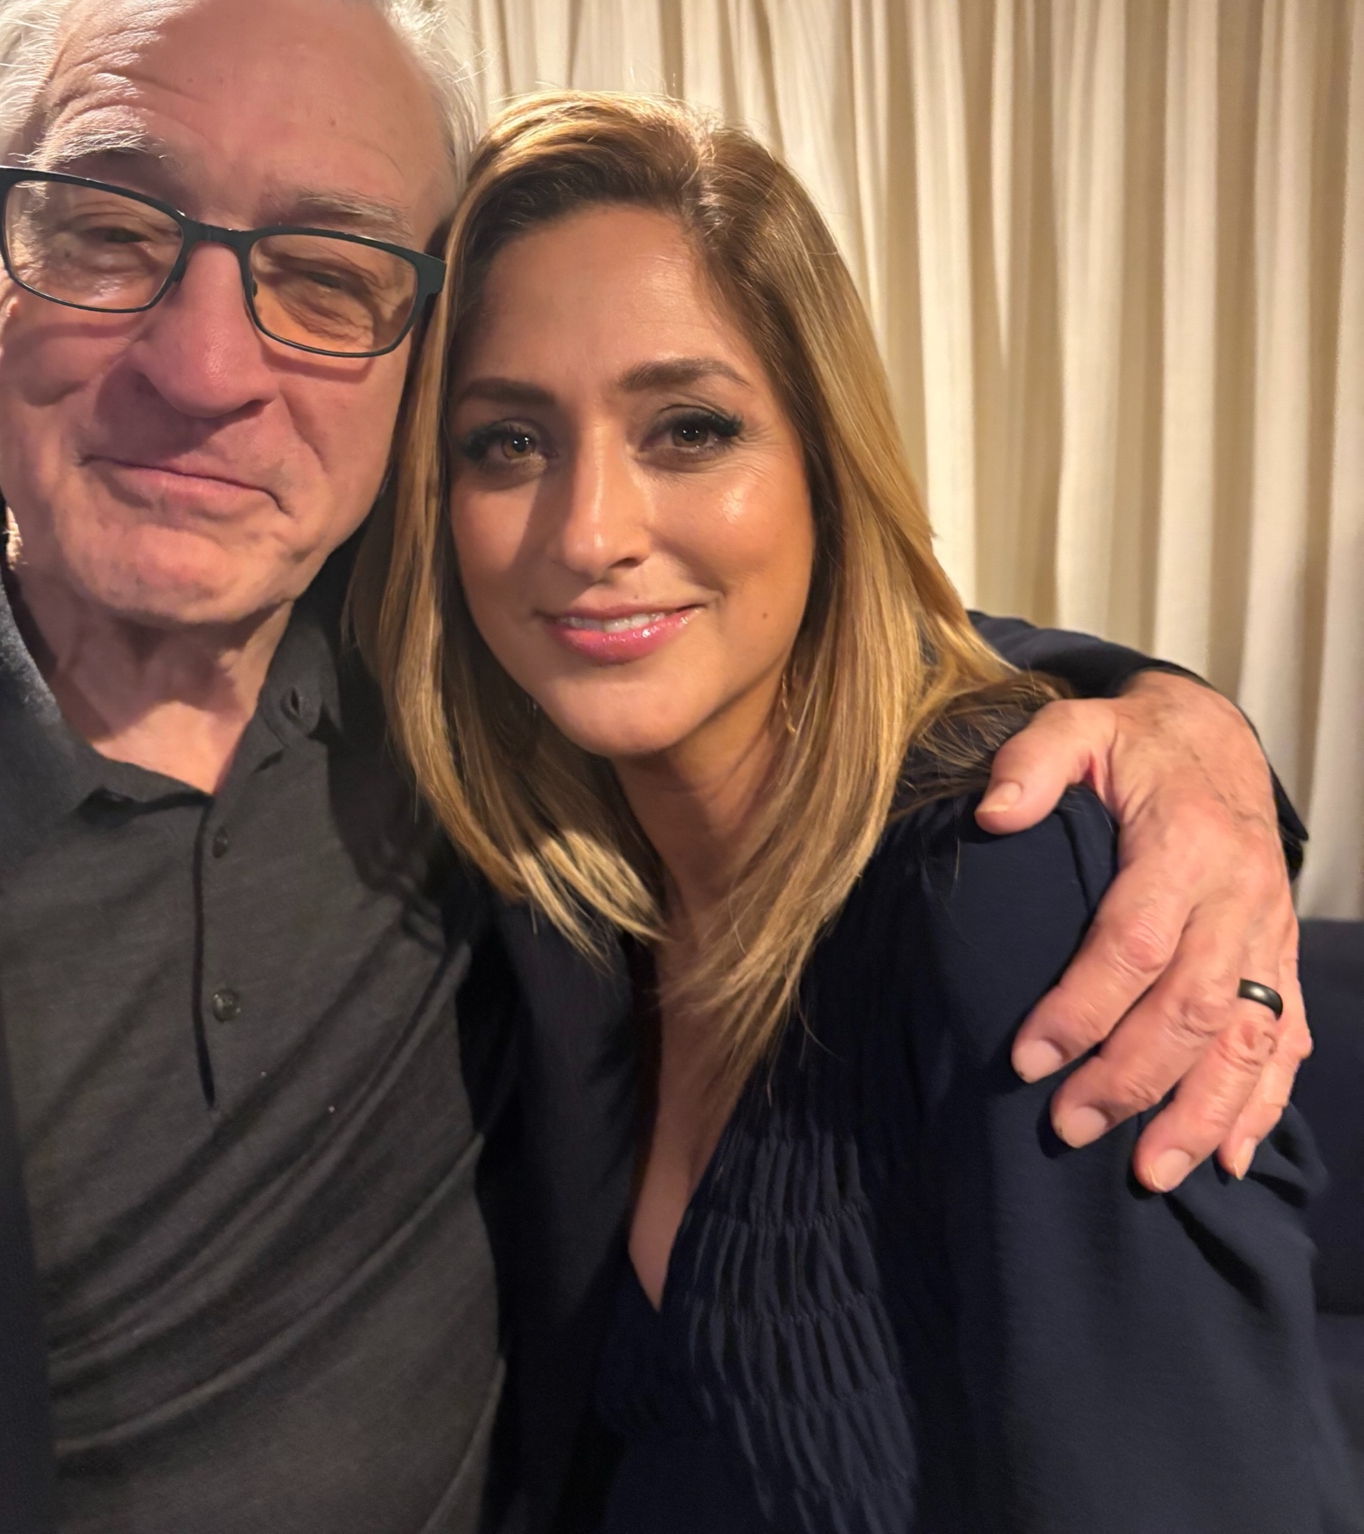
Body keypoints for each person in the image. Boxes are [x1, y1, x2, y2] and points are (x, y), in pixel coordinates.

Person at [0, 0, 1308, 1534]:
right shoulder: (468, 655)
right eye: (109, 232)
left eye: (325, 273)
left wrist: (1174, 729)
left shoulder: (432, 632)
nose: (205, 371)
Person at [369, 91, 1358, 1533]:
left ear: (828, 468)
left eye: (690, 429)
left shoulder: (1011, 887)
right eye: (507, 442)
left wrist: (1183, 730)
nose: (589, 533)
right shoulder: (554, 897)